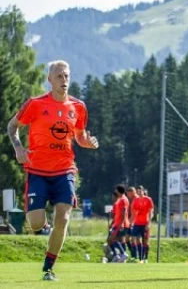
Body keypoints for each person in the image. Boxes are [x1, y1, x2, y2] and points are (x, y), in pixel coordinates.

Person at [6, 60, 99, 281]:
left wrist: (88, 142)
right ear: (50, 80)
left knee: (64, 217)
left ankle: (49, 267)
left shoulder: (78, 107)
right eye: (59, 76)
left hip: (64, 170)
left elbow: (80, 136)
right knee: (35, 223)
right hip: (37, 170)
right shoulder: (35, 104)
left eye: (66, 76)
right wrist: (18, 148)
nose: (64, 80)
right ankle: (44, 222)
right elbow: (12, 127)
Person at [131, 185, 154, 263]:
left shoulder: (148, 199)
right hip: (137, 223)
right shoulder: (136, 200)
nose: (139, 192)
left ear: (143, 191)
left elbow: (151, 212)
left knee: (145, 241)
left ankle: (145, 258)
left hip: (145, 223)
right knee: (134, 238)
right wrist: (132, 222)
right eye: (138, 191)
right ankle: (139, 257)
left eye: (140, 190)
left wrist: (149, 223)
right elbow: (134, 212)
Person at [109, 185, 129, 263]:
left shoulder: (123, 199)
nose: (115, 191)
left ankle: (122, 254)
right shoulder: (119, 200)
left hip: (121, 224)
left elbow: (124, 212)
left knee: (112, 238)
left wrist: (121, 224)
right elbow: (117, 213)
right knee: (113, 240)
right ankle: (117, 255)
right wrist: (112, 223)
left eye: (116, 190)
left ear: (118, 191)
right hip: (117, 223)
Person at [125, 187, 139, 262]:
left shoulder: (136, 199)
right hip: (132, 221)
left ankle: (135, 257)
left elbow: (135, 213)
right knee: (127, 239)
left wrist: (130, 222)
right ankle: (133, 255)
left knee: (134, 239)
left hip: (135, 222)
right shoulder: (133, 200)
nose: (128, 195)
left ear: (132, 192)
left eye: (128, 193)